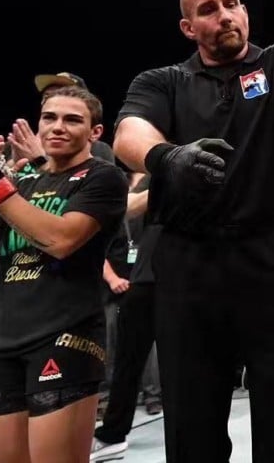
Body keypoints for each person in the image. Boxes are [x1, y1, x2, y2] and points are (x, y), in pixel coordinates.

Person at [112, 0, 274, 462]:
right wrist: (168, 157)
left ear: (245, 12)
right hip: (189, 262)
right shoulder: (163, 81)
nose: (224, 15)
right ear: (188, 27)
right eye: (208, 9)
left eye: (231, 4)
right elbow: (129, 133)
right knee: (191, 416)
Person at [0, 86, 128, 463]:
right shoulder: (21, 182)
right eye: (49, 118)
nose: (58, 127)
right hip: (1, 340)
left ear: (95, 132)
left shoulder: (103, 177)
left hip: (65, 336)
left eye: (72, 120)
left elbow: (60, 240)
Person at [90, 173, 162, 462]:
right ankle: (113, 433)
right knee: (127, 361)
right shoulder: (158, 176)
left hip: (188, 275)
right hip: (144, 279)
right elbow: (129, 206)